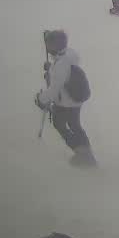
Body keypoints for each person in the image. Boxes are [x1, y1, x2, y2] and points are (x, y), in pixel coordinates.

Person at [36, 30, 95, 167]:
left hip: (66, 103)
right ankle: (87, 153)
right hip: (75, 99)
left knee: (60, 124)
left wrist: (41, 99)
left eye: (49, 45)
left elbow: (54, 89)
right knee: (75, 125)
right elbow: (64, 71)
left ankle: (83, 154)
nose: (48, 48)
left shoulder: (61, 65)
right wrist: (52, 68)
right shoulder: (69, 54)